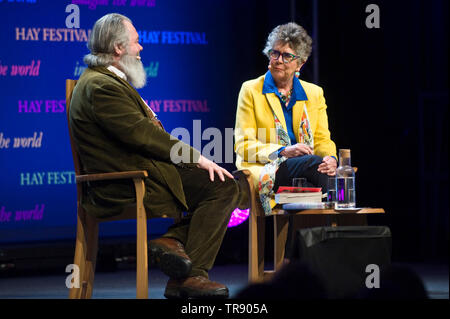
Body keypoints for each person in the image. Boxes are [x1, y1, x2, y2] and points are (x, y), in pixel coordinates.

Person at [69, 13, 245, 299]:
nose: (141, 49)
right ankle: (189, 274)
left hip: (146, 172)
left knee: (227, 184)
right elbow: (144, 135)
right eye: (137, 43)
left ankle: (174, 246)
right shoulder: (102, 87)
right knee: (222, 186)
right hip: (126, 184)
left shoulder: (109, 81)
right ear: (118, 48)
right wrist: (196, 158)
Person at [234, 22, 338, 215]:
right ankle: (333, 230)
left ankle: (305, 244)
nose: (279, 60)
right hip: (269, 168)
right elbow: (243, 145)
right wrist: (284, 151)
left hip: (305, 172)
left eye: (287, 56)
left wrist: (331, 159)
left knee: (318, 172)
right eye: (275, 53)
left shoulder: (314, 93)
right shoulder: (251, 90)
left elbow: (323, 139)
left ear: (301, 63)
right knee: (314, 166)